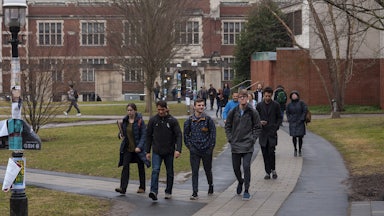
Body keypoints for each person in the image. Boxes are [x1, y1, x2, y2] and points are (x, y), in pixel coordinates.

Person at [225, 89, 262, 201]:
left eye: (244, 96)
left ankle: (246, 189)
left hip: (247, 144)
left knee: (246, 167)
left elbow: (258, 127)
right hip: (235, 144)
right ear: (237, 98)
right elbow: (227, 126)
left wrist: (253, 139)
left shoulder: (252, 112)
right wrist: (231, 138)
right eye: (240, 96)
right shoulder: (233, 111)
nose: (242, 98)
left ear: (248, 98)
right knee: (236, 168)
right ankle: (240, 181)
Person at [146, 100, 182, 201]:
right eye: (158, 110)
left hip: (169, 151)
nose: (160, 112)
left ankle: (168, 191)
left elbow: (179, 135)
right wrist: (147, 151)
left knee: (169, 172)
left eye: (162, 109)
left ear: (166, 108)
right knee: (155, 170)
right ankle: (153, 191)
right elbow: (148, 136)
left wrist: (178, 149)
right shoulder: (153, 120)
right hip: (157, 150)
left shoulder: (172, 121)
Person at [184, 98, 216, 200]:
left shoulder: (208, 120)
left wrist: (210, 147)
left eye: (202, 105)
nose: (201, 107)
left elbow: (213, 134)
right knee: (195, 171)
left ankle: (210, 184)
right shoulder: (189, 120)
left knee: (207, 169)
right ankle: (195, 192)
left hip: (206, 149)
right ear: (194, 107)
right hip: (195, 150)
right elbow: (185, 134)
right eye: (199, 105)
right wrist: (190, 146)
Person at [115, 103, 150, 195]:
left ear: (135, 111)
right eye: (128, 110)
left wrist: (139, 146)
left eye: (131, 110)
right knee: (125, 166)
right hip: (128, 148)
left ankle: (142, 187)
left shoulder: (140, 121)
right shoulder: (125, 121)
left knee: (140, 166)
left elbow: (144, 135)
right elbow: (122, 132)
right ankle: (123, 187)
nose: (129, 112)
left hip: (138, 148)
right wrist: (120, 135)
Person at [256, 87, 283, 180]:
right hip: (263, 132)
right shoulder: (259, 105)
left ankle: (273, 169)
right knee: (264, 153)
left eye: (269, 96)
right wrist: (260, 122)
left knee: (271, 152)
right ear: (263, 95)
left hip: (272, 132)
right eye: (266, 96)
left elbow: (280, 117)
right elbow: (255, 117)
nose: (267, 98)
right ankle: (267, 172)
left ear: (271, 96)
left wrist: (276, 127)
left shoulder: (276, 105)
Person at [286, 90, 307, 157]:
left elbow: (305, 110)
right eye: (292, 95)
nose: (294, 96)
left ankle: (300, 149)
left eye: (295, 95)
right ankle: (295, 149)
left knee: (300, 136)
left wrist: (302, 118)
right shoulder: (289, 105)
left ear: (297, 96)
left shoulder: (301, 103)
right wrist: (289, 119)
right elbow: (287, 112)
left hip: (300, 122)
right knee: (294, 136)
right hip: (293, 122)